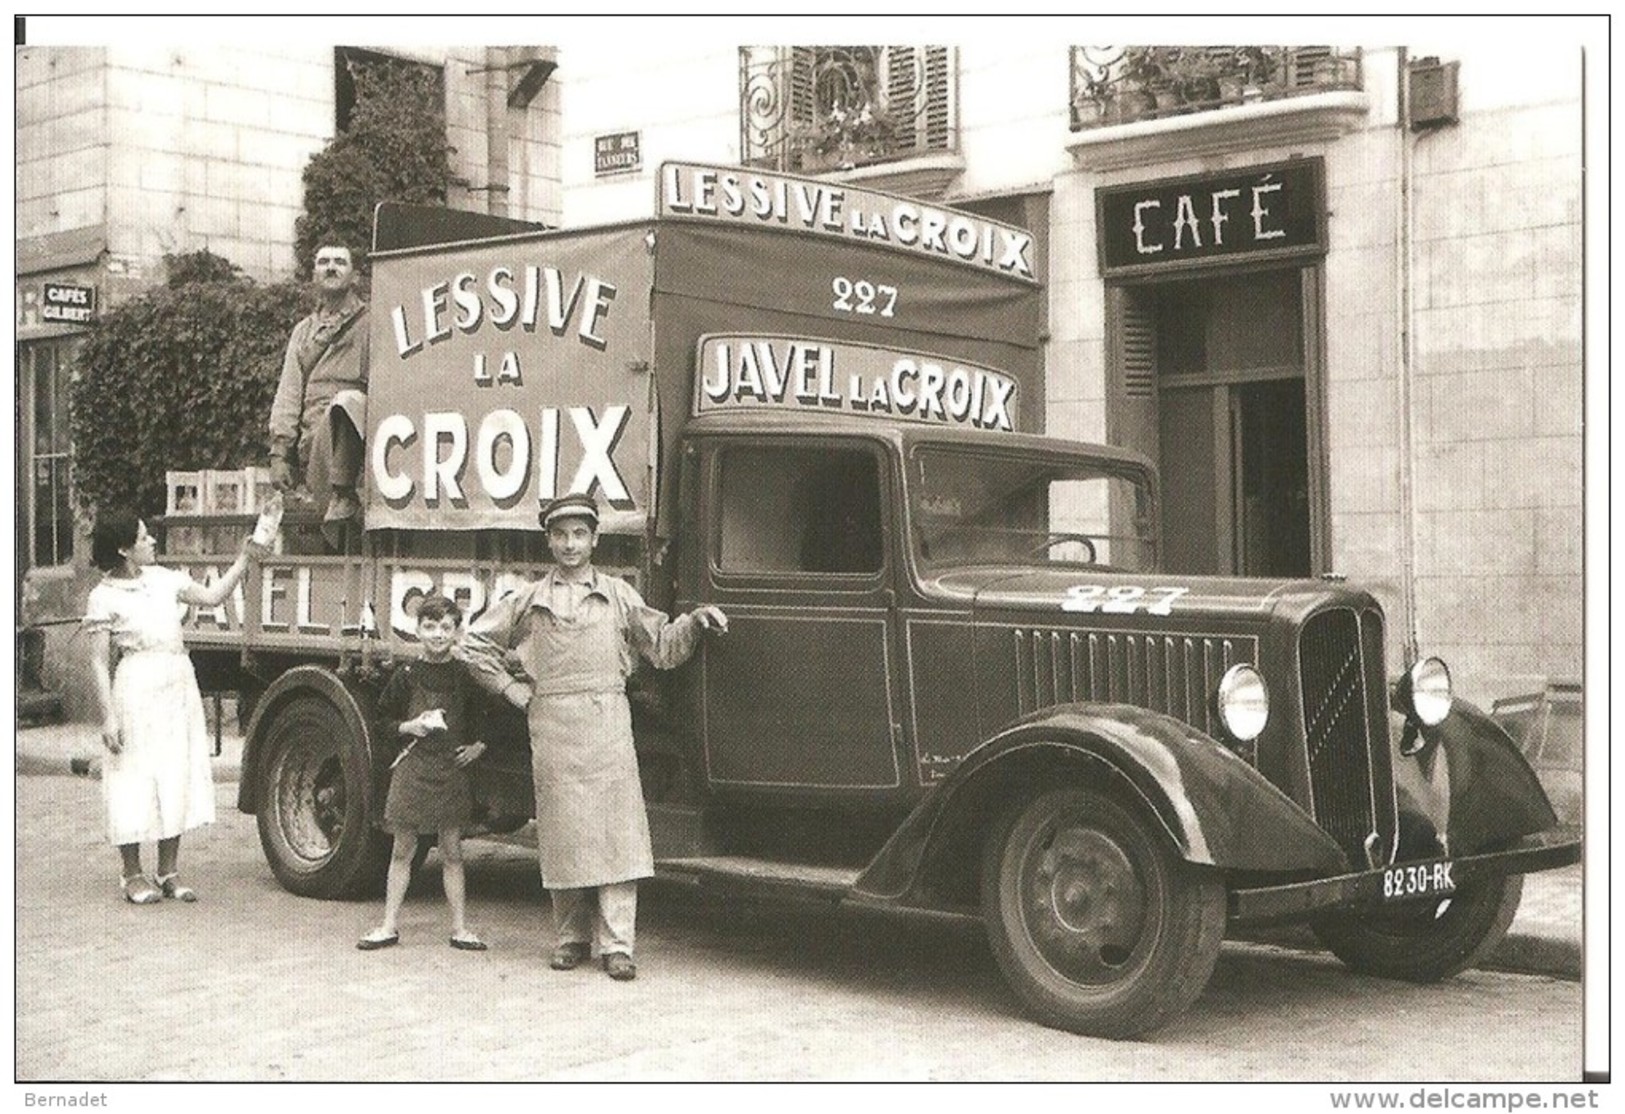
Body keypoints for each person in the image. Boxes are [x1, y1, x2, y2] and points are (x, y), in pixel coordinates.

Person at [459, 492, 728, 981]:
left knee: (616, 836)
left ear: (595, 539)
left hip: (607, 721)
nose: (570, 544)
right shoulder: (528, 599)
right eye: (560, 535)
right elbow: (472, 643)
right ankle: (569, 938)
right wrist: (513, 690)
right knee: (562, 834)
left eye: (579, 534)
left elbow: (663, 648)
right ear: (549, 540)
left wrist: (694, 621)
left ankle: (618, 946)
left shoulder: (620, 595)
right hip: (553, 724)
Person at [82, 511, 261, 904]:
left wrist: (245, 559)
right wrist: (108, 716)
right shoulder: (104, 596)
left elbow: (214, 596)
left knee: (174, 769)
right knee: (133, 774)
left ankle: (168, 870)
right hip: (136, 685)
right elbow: (98, 661)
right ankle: (131, 873)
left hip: (177, 682)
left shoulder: (165, 580)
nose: (152, 543)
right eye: (144, 539)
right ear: (124, 549)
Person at [357, 593, 490, 952]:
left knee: (452, 851)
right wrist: (408, 727)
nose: (437, 634)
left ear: (457, 632)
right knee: (403, 849)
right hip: (413, 769)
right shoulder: (406, 675)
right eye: (429, 627)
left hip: (450, 771)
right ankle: (388, 926)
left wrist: (479, 746)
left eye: (446, 627)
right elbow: (381, 721)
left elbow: (485, 719)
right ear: (416, 630)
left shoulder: (464, 676)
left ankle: (460, 929)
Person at [267, 241, 370, 540]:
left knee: (347, 400)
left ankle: (343, 492)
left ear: (355, 277)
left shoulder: (372, 325)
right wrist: (279, 455)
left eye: (340, 261)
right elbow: (288, 393)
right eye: (323, 262)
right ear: (314, 275)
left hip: (359, 441)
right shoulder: (303, 332)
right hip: (314, 446)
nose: (331, 267)